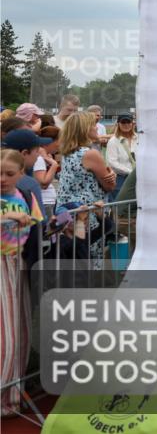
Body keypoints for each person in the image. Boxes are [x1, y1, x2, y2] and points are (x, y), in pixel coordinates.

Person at [1, 149, 39, 416]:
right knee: (6, 337)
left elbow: (38, 222)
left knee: (20, 330)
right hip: (2, 265)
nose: (3, 179)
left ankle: (13, 394)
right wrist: (7, 217)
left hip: (18, 263)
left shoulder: (24, 195)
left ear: (20, 174)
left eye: (9, 174)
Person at [57, 112, 116, 246]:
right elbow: (110, 186)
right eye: (93, 125)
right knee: (88, 257)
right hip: (89, 214)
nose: (96, 128)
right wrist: (111, 173)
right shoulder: (90, 154)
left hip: (68, 212)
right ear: (84, 129)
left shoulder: (67, 152)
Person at [105, 114, 137, 200]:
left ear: (132, 123)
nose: (126, 124)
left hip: (138, 177)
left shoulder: (138, 138)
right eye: (123, 122)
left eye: (128, 122)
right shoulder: (113, 141)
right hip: (121, 178)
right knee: (120, 205)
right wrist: (130, 172)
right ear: (118, 124)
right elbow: (112, 162)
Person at [33, 126, 61, 216]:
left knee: (65, 222)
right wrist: (54, 165)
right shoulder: (39, 159)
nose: (60, 144)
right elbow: (43, 183)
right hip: (45, 203)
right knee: (52, 229)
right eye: (59, 140)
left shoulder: (46, 157)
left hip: (50, 202)